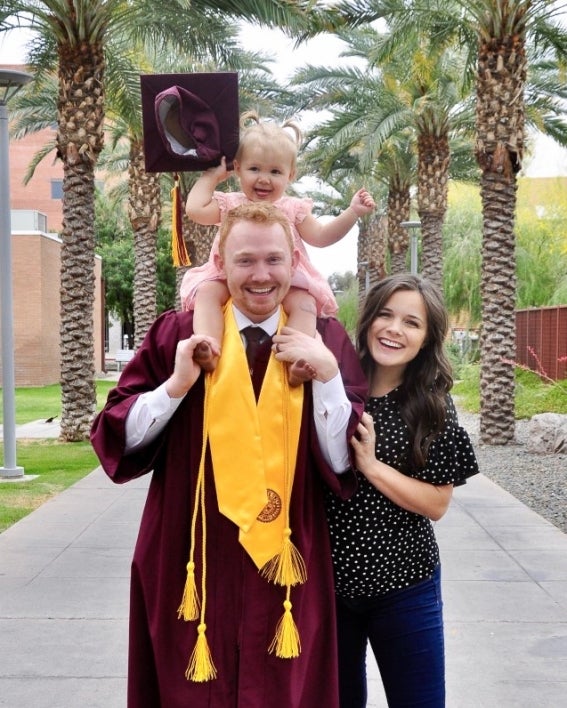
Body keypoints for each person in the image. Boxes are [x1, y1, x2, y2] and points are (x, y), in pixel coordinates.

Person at [90, 202, 367, 708]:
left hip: (285, 561)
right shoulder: (181, 335)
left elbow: (345, 461)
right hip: (189, 554)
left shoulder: (323, 340)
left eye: (274, 260)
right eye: (245, 260)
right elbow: (117, 438)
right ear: (220, 259)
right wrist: (174, 386)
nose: (261, 275)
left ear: (294, 262)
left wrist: (327, 379)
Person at [324, 273, 480, 708]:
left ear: (426, 338)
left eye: (412, 323)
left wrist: (371, 467)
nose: (394, 329)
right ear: (369, 319)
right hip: (328, 590)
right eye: (386, 315)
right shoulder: (331, 384)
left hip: (405, 586)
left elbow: (437, 503)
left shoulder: (431, 402)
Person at [180, 110, 376, 383]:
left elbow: (321, 236)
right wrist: (212, 177)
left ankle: (295, 362)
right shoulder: (231, 203)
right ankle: (209, 346)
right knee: (207, 294)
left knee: (305, 305)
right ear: (237, 168)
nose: (264, 178)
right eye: (254, 168)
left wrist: (351, 213)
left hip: (287, 279)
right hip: (230, 276)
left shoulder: (292, 208)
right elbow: (195, 210)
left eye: (275, 171)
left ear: (291, 174)